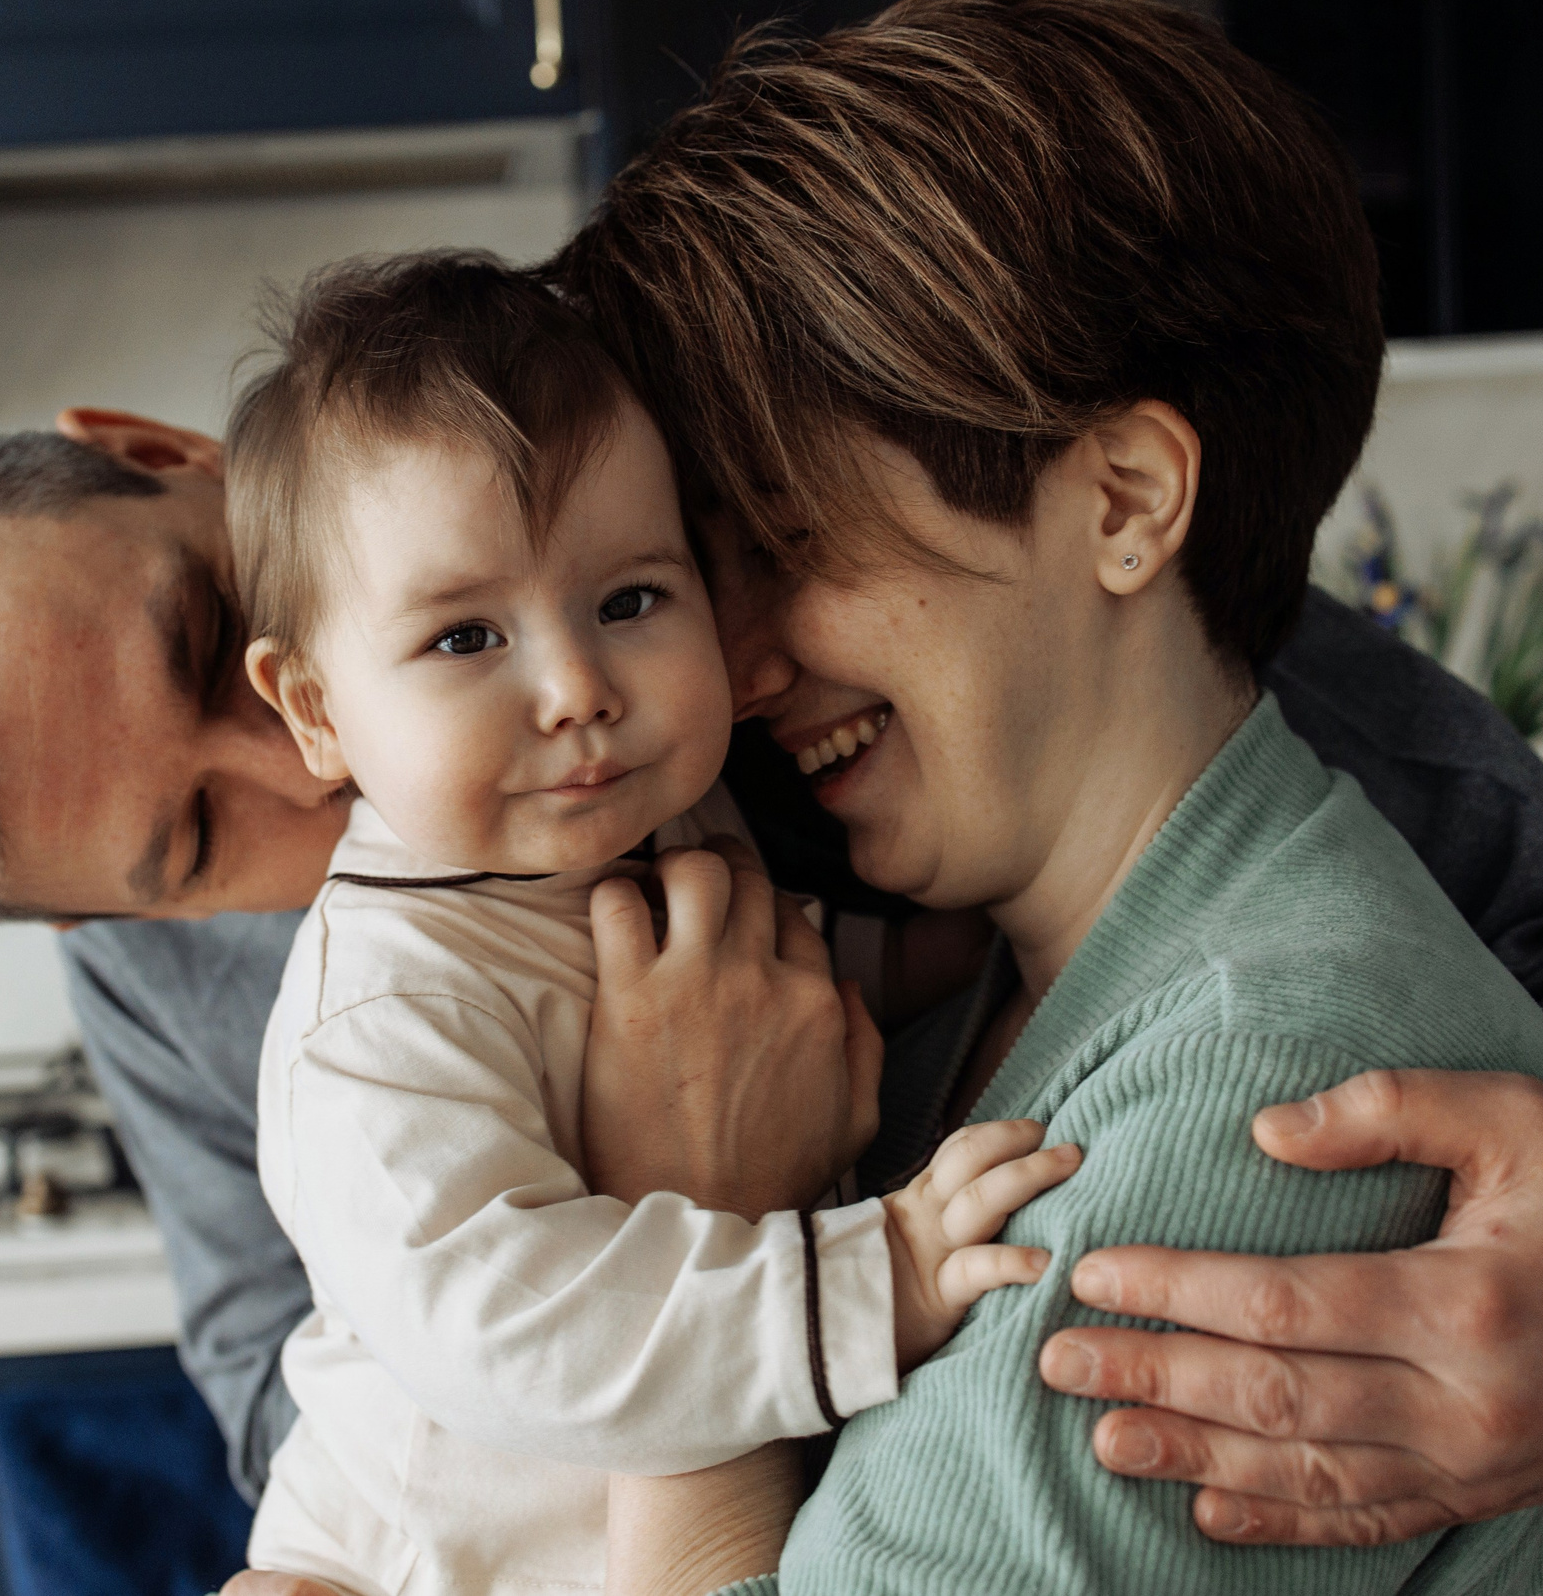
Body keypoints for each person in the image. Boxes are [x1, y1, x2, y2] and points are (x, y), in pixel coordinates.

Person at [0, 69, 1543, 1580]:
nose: (309, 775)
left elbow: (1236, 734)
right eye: (191, 843)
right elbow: (298, 1364)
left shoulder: (617, 488)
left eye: (206, 640)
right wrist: (679, 1244)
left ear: (171, 460)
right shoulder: (161, 948)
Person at [535, 0, 1543, 1592]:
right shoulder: (980, 990)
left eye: (790, 540)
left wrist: (687, 1257)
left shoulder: (1269, 1091)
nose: (731, 673)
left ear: (1124, 500)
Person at [221, 251, 1075, 1593]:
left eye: (630, 602)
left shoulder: (645, 818)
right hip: (436, 1559)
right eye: (464, 640)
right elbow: (519, 1332)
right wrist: (876, 1278)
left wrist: (916, 958)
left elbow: (748, 958)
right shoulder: (379, 1027)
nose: (577, 688)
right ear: (316, 710)